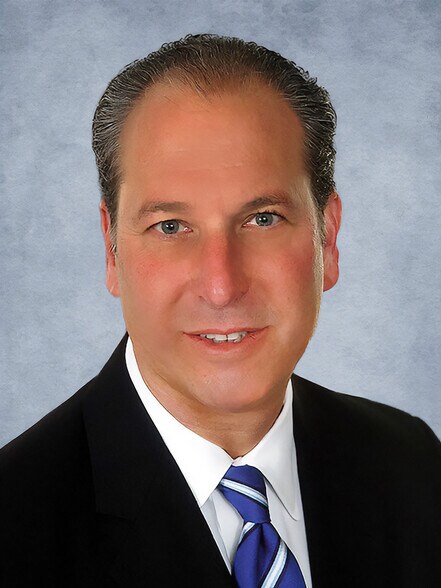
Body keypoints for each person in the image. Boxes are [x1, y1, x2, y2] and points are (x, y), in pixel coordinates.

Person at [0, 33, 439, 588]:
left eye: (263, 219)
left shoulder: (414, 466)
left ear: (327, 238)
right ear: (111, 250)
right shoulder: (14, 528)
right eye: (170, 226)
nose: (221, 285)